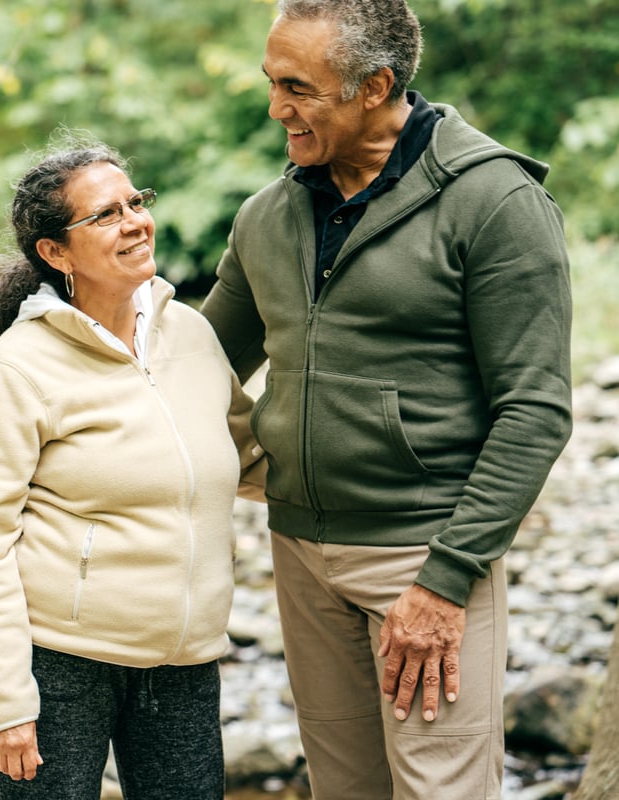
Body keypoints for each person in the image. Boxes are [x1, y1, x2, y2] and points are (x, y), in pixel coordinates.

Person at [199, 1, 573, 798]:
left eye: (297, 87)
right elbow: (192, 364)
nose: (275, 109)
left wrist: (445, 580)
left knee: (439, 790)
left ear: (374, 86)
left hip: (424, 553)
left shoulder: (494, 203)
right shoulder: (265, 216)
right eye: (271, 83)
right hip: (299, 552)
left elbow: (533, 410)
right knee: (343, 789)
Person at [0, 138, 266, 799]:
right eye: (105, 215)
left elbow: (252, 461)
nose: (133, 222)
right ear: (54, 253)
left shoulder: (193, 336)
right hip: (59, 666)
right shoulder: (14, 370)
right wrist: (6, 704)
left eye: (135, 202)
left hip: (183, 662)